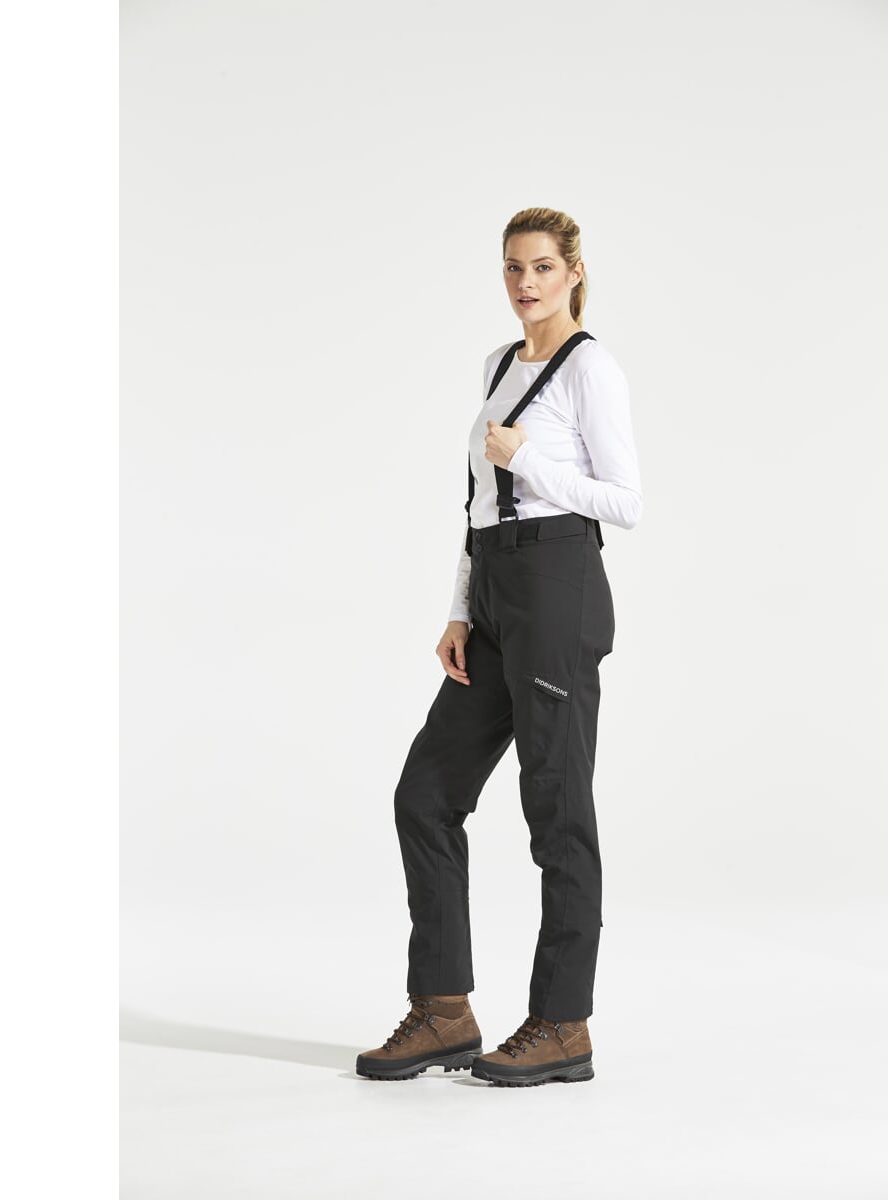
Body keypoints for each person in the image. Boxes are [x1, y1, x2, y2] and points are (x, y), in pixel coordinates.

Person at [355, 207, 642, 1086]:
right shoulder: (496, 365)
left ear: (574, 272)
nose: (526, 283)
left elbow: (625, 501)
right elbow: (478, 500)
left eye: (543, 267)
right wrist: (459, 608)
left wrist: (531, 463)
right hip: (493, 590)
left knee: (556, 809)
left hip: (558, 586)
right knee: (426, 794)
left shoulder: (589, 367)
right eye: (514, 267)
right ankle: (444, 1012)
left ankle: (563, 1024)